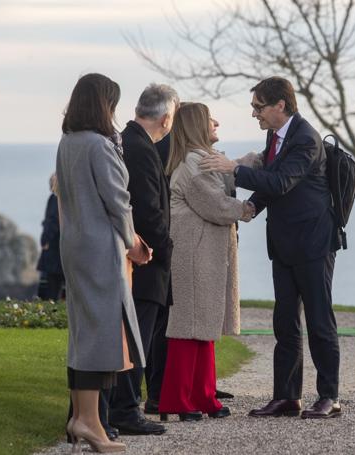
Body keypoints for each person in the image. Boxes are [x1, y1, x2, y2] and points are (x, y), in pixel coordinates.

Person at [199, 76, 341, 419]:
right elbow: (274, 183)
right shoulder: (275, 136)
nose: (254, 114)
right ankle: (287, 397)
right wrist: (249, 209)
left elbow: (281, 181)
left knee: (320, 322)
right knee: (285, 322)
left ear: (281, 105)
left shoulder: (306, 139)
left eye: (258, 107)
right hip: (284, 243)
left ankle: (329, 397)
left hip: (313, 243)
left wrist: (234, 169)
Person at [56, 73, 151, 453]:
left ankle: (84, 419)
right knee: (101, 335)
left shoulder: (67, 143)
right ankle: (89, 422)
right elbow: (118, 201)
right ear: (103, 104)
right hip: (100, 250)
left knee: (83, 335)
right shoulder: (99, 145)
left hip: (74, 247)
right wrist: (134, 245)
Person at [157, 102, 254, 421]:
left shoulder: (198, 159)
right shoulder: (194, 163)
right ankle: (179, 399)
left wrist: (247, 164)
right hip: (193, 255)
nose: (217, 122)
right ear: (198, 125)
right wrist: (248, 208)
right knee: (189, 327)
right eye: (210, 119)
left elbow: (222, 182)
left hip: (201, 253)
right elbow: (215, 204)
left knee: (203, 327)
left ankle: (202, 395)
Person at [107, 84, 179, 436]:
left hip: (140, 257)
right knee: (137, 338)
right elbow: (148, 210)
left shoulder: (130, 141)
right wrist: (166, 250)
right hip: (145, 260)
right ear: (166, 118)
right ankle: (126, 409)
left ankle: (124, 405)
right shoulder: (139, 148)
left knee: (136, 337)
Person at [36, 173, 64, 301]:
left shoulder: (55, 199)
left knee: (51, 288)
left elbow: (52, 221)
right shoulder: (66, 199)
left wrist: (45, 240)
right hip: (63, 248)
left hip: (54, 250)